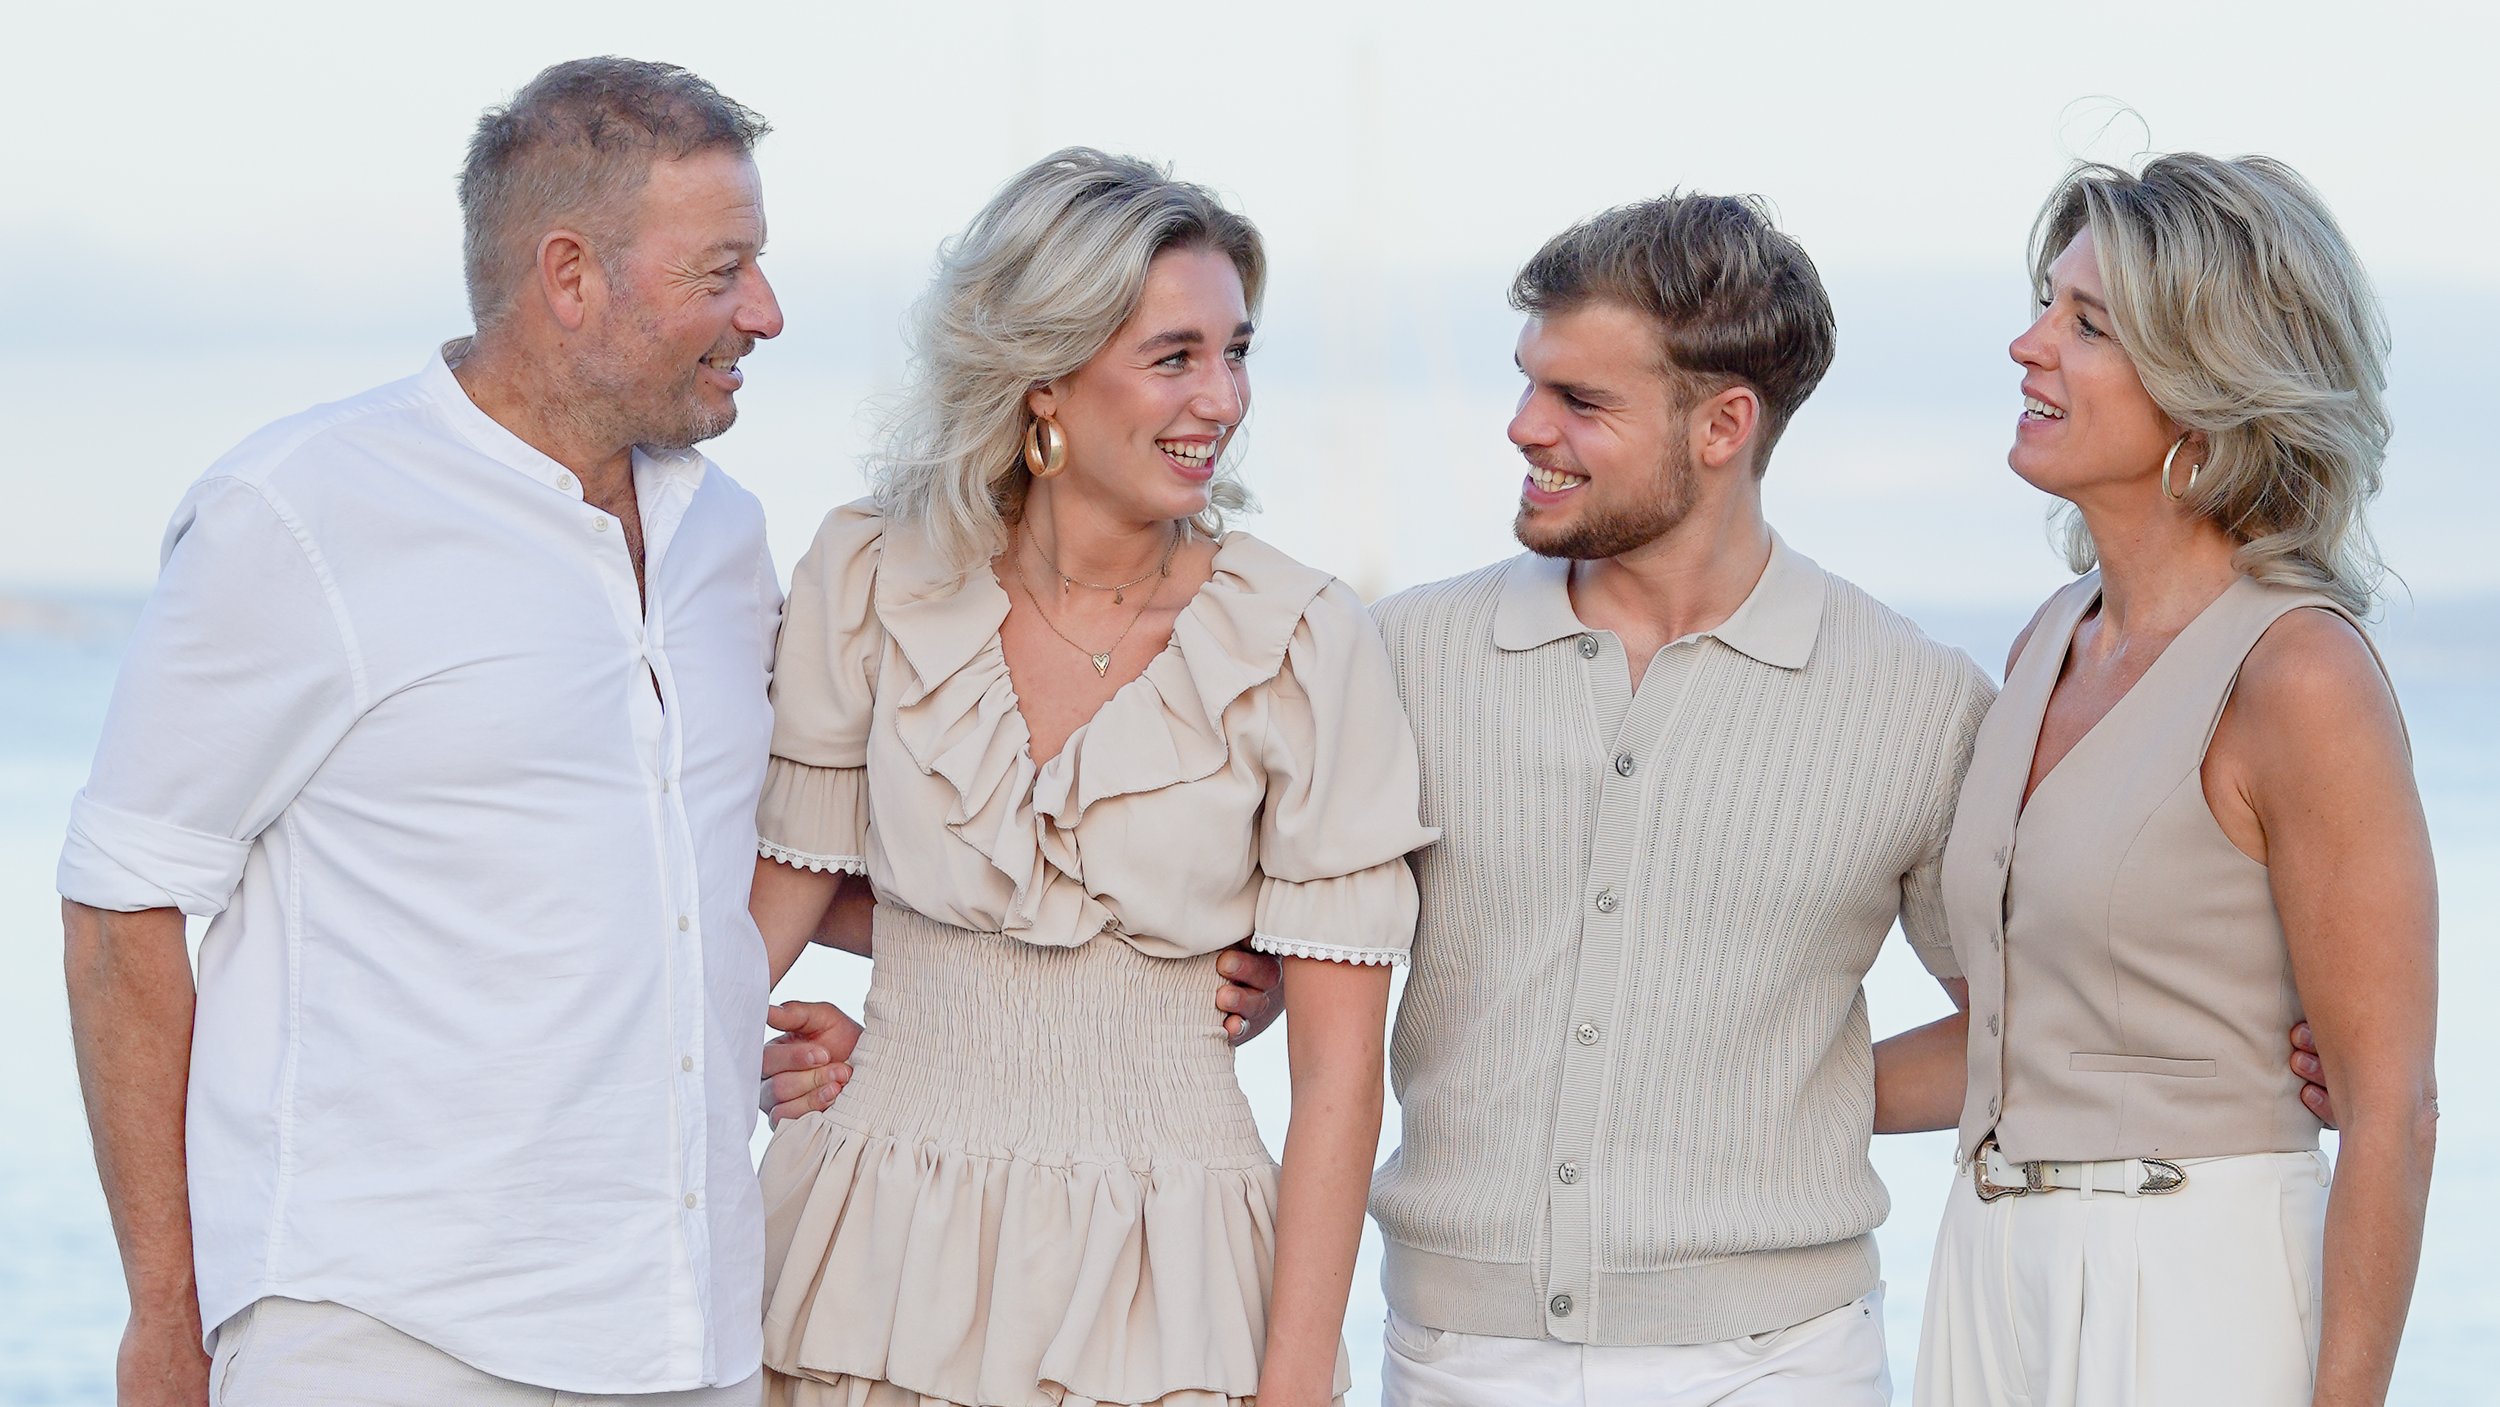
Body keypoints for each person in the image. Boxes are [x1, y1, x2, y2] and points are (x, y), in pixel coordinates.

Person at [58, 58, 789, 1405]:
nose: (768, 312)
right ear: (570, 274)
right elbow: (122, 907)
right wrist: (164, 1314)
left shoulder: (727, 537)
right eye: (721, 271)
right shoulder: (300, 512)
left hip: (690, 1334)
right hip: (379, 1333)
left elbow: (707, 857)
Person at [737, 148, 1433, 1407]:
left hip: (1166, 1278)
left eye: (1237, 352)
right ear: (1041, 377)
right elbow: (751, 932)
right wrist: (758, 1056)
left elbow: (1340, 1083)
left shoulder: (1298, 640)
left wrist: (1293, 1393)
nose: (1220, 398)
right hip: (871, 1248)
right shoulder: (869, 579)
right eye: (1174, 357)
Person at [1358, 194, 1991, 1405]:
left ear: (1723, 425)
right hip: (1454, 1355)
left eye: (1580, 402)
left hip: (1781, 1362)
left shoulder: (1921, 703)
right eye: (1529, 383)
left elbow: (2011, 1028)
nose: (1522, 426)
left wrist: (1773, 1097)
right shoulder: (1398, 657)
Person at [1896, 154, 2437, 1406]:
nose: (2028, 344)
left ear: (2207, 384)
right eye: (2048, 300)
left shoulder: (2299, 674)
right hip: (1985, 1266)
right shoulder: (2047, 638)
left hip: (2194, 1282)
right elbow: (2012, 1037)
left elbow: (2390, 1110)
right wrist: (1713, 1085)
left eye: (2087, 324)